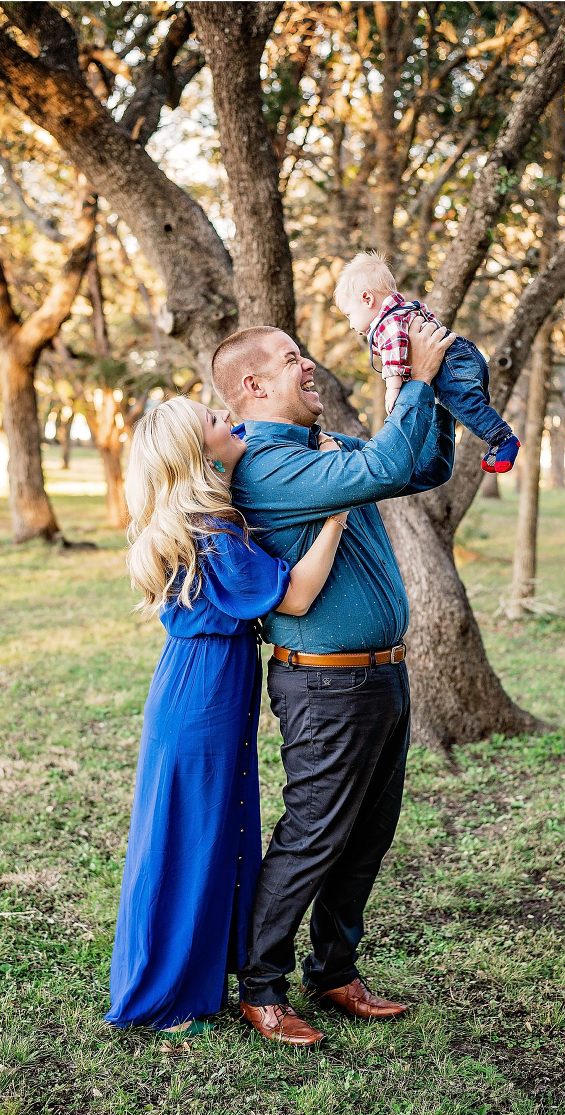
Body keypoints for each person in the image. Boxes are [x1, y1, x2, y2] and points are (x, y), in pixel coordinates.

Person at [210, 318, 457, 1047]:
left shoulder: (327, 449)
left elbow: (418, 466)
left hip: (384, 678)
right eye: (292, 360)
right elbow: (382, 469)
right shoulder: (263, 464)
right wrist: (408, 381)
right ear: (253, 386)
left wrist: (426, 391)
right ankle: (260, 987)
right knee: (314, 834)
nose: (309, 365)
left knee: (367, 836)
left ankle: (335, 970)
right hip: (324, 687)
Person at [105, 397, 350, 1036]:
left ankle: (193, 971)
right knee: (196, 836)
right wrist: (334, 520)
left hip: (194, 682)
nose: (230, 420)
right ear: (197, 452)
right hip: (205, 693)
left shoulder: (197, 520)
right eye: (215, 420)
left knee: (200, 831)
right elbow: (296, 594)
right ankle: (167, 991)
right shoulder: (211, 533)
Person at [334, 250, 521, 474]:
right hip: (465, 356)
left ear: (367, 298)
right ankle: (493, 443)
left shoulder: (387, 323)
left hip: (452, 363)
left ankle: (503, 439)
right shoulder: (407, 310)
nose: (351, 325)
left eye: (348, 315)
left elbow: (395, 350)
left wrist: (392, 389)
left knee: (466, 406)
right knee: (467, 409)